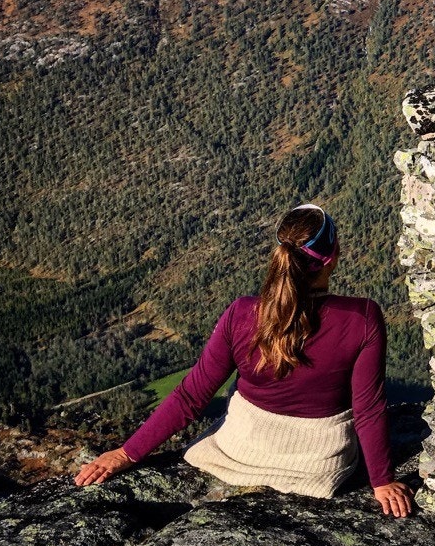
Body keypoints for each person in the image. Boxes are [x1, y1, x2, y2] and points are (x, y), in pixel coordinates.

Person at [74, 204, 414, 517]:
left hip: (238, 450)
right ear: (333, 256)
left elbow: (191, 396)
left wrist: (127, 453)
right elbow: (368, 408)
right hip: (316, 463)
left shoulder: (242, 313)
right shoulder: (362, 318)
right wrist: (382, 481)